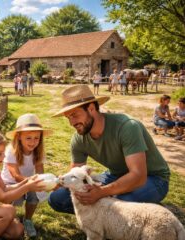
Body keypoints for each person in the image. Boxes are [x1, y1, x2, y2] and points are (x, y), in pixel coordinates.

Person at [49, 85, 170, 215]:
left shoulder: (127, 126)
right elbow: (76, 172)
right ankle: (103, 217)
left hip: (152, 178)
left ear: (91, 108)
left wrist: (101, 192)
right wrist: (60, 182)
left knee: (117, 207)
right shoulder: (79, 138)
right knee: (58, 198)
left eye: (74, 115)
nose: (71, 123)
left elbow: (138, 176)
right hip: (116, 175)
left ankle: (139, 207)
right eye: (68, 117)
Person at [1, 114, 52, 237]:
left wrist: (43, 181)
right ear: (19, 137)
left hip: (28, 181)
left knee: (34, 194)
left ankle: (27, 219)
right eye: (28, 138)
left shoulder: (38, 151)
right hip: (11, 183)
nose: (33, 142)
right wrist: (31, 183)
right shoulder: (11, 150)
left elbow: (40, 170)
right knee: (15, 199)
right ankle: (8, 218)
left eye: (36, 138)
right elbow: (15, 174)